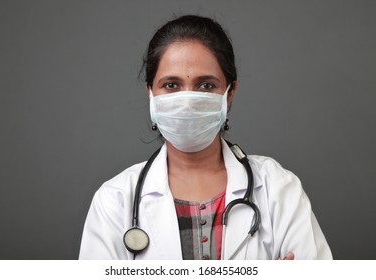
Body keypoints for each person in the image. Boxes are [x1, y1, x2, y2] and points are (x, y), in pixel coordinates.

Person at [79, 15, 332, 260]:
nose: (188, 102)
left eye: (206, 85)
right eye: (171, 85)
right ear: (151, 94)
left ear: (229, 93)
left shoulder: (277, 188)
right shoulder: (115, 200)